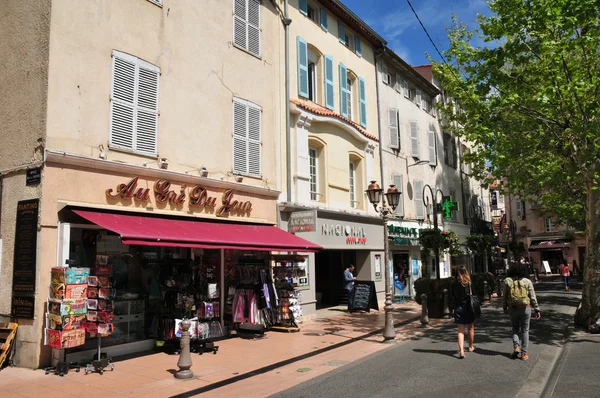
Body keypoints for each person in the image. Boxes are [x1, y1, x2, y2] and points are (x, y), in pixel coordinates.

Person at [503, 264, 541, 361]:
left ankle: (516, 347)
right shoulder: (527, 281)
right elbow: (532, 297)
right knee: (525, 330)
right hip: (525, 307)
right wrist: (537, 309)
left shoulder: (507, 281)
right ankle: (524, 353)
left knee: (515, 328)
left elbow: (505, 296)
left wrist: (504, 307)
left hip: (513, 307)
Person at [451, 265, 475, 359]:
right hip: (468, 307)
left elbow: (451, 295)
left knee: (460, 330)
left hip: (458, 307)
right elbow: (472, 294)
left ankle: (461, 351)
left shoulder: (453, 283)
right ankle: (470, 346)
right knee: (470, 328)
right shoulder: (468, 282)